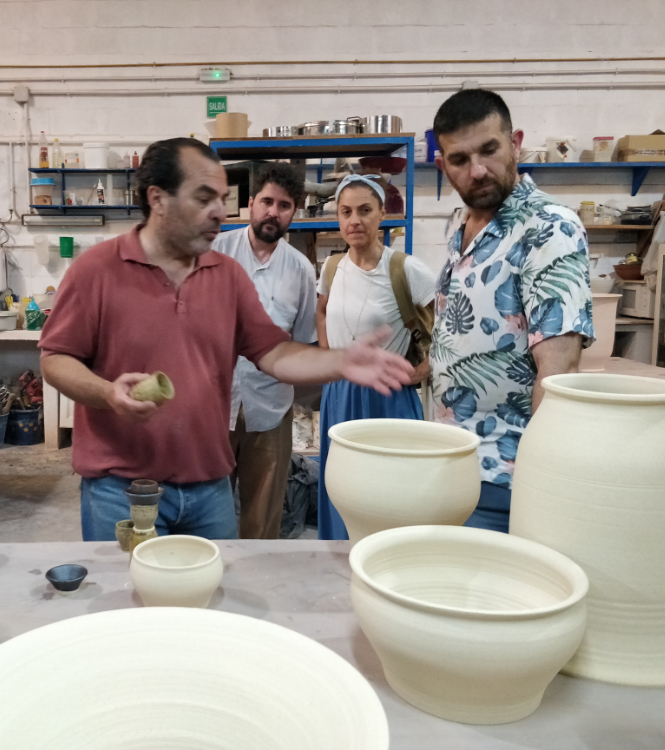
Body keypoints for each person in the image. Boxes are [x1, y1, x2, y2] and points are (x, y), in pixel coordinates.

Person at [40, 138, 414, 542]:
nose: (219, 211)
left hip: (208, 487)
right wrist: (107, 393)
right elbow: (55, 359)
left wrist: (339, 361)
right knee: (128, 584)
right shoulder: (97, 270)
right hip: (124, 489)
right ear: (158, 199)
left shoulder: (227, 275)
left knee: (222, 580)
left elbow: (273, 353)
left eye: (222, 198)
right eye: (204, 198)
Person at [431, 89, 593, 532]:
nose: (477, 170)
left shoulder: (549, 228)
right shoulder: (460, 227)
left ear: (515, 143)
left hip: (507, 477)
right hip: (452, 462)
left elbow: (559, 374)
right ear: (443, 165)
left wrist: (540, 488)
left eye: (489, 150)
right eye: (459, 159)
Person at [315, 174, 437, 540]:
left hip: (387, 397)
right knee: (342, 491)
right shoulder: (332, 267)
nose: (355, 220)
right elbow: (322, 310)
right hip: (339, 395)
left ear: (382, 214)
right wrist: (329, 357)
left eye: (365, 210)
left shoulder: (404, 269)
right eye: (346, 212)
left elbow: (451, 329)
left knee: (390, 495)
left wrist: (423, 369)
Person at [212, 162, 316, 540]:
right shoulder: (215, 253)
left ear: (294, 212)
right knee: (208, 514)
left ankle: (255, 575)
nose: (274, 212)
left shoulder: (301, 270)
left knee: (263, 518)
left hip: (271, 410)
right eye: (267, 202)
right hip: (213, 407)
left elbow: (301, 343)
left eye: (284, 205)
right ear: (252, 203)